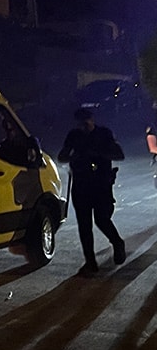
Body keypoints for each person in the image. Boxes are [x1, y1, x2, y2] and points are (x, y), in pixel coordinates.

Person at [57, 108, 126, 276]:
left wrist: (99, 154)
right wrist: (76, 156)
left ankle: (117, 243)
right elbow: (62, 157)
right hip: (81, 185)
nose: (84, 124)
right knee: (84, 225)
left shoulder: (103, 134)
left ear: (92, 119)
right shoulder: (74, 136)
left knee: (102, 220)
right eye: (81, 121)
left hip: (101, 185)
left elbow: (119, 155)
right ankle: (90, 262)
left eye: (87, 120)